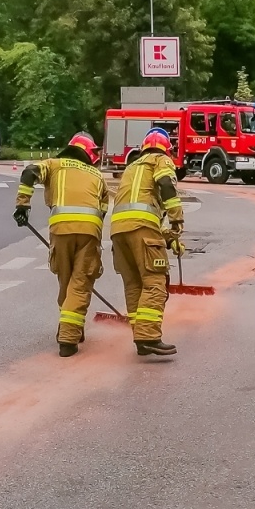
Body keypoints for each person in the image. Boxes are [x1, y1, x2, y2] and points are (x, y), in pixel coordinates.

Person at [14, 132, 108, 357]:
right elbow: (103, 208)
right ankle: (68, 336)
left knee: (66, 281)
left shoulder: (53, 165)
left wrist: (22, 206)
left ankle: (71, 328)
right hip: (89, 232)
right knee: (81, 281)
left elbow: (29, 173)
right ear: (87, 153)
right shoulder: (97, 175)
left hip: (61, 231)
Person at [109, 127, 183, 357]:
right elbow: (167, 186)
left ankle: (140, 337)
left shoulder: (131, 167)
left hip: (119, 232)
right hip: (141, 229)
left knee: (133, 285)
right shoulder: (161, 160)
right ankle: (149, 336)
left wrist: (166, 238)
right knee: (154, 282)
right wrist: (176, 221)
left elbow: (140, 210)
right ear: (166, 149)